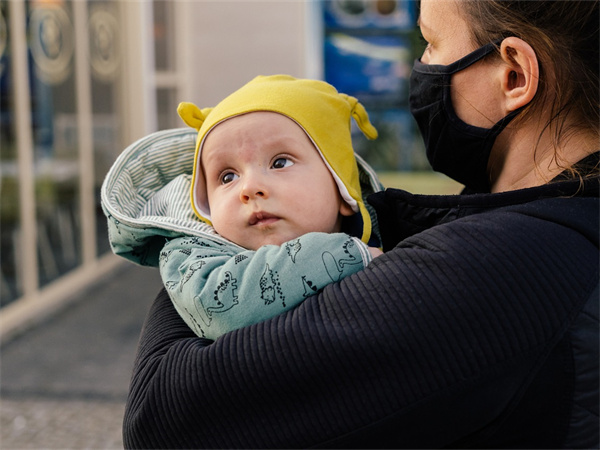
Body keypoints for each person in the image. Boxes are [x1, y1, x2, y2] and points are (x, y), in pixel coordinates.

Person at [120, 0, 599, 448]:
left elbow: (162, 417)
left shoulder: (505, 267)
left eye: (430, 42)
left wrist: (196, 240)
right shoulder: (538, 215)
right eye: (226, 177)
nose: (423, 65)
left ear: (514, 75)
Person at [102, 75, 383, 340]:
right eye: (227, 177)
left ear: (342, 191)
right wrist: (347, 254)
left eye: (280, 162)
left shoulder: (395, 234)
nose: (249, 188)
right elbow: (218, 306)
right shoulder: (191, 256)